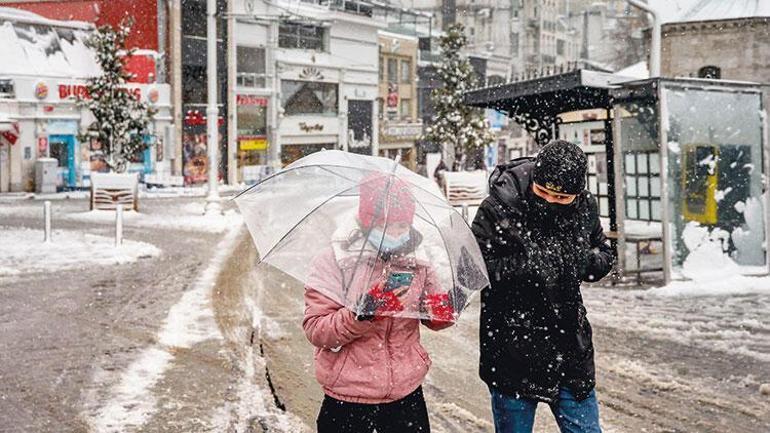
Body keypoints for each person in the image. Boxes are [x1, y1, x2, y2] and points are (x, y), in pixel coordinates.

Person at [471, 140, 614, 433]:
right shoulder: (499, 207)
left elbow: (604, 254)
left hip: (570, 348)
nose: (550, 201)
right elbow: (475, 267)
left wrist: (582, 260)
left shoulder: (584, 206)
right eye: (543, 192)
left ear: (577, 194)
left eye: (561, 198)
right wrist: (527, 265)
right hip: (512, 348)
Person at [302, 173, 458, 433]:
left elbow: (434, 317)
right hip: (348, 399)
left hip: (405, 396)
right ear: (366, 222)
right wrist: (360, 315)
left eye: (401, 226)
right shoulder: (335, 260)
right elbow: (317, 330)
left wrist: (446, 308)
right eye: (386, 226)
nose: (395, 234)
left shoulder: (418, 259)